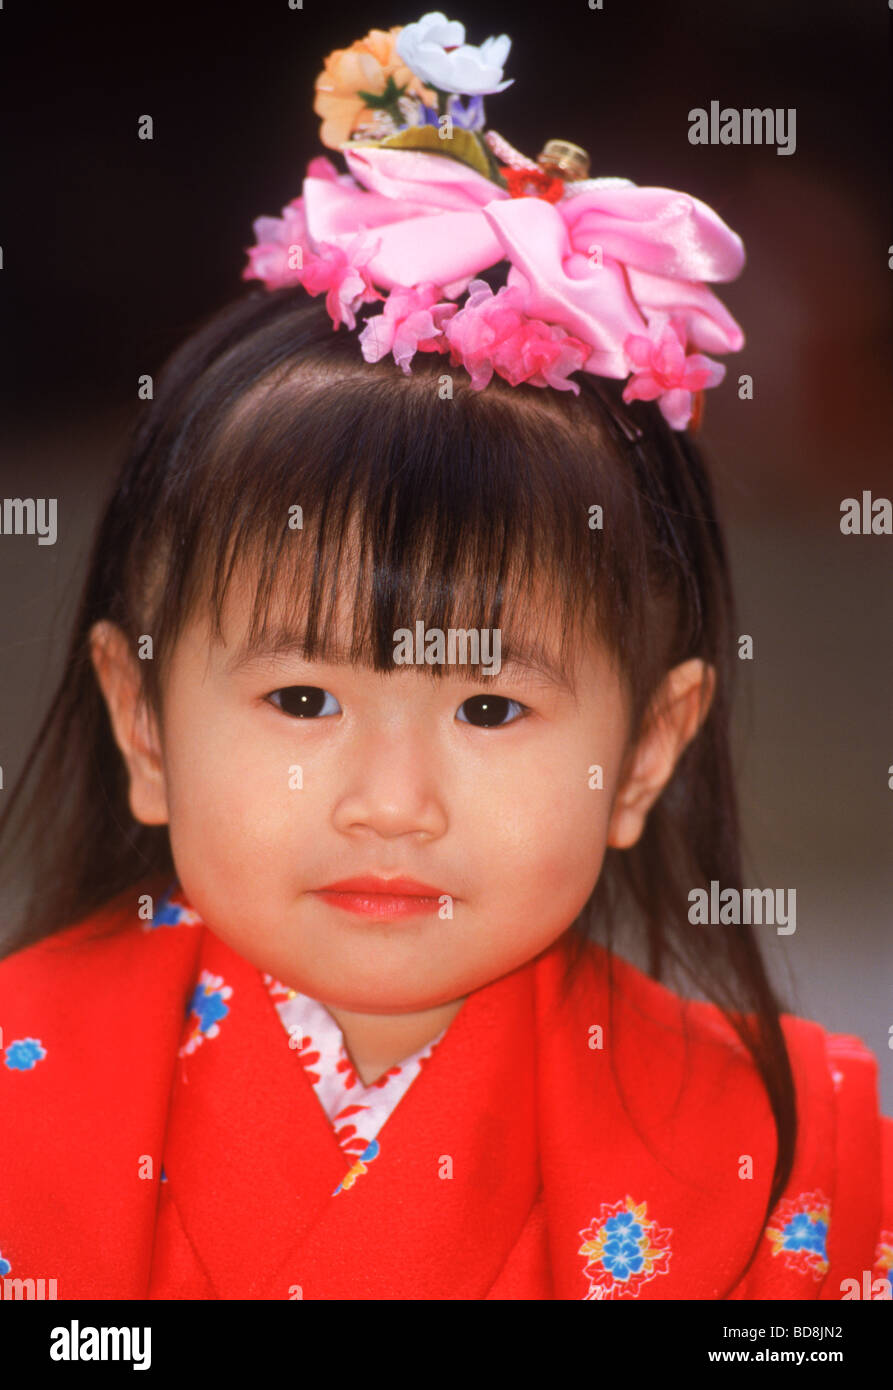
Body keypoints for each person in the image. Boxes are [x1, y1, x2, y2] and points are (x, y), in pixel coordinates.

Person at [1, 11, 890, 1302]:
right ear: (142, 725)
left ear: (645, 749)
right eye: (302, 696)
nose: (390, 802)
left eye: (487, 704)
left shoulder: (798, 1146)